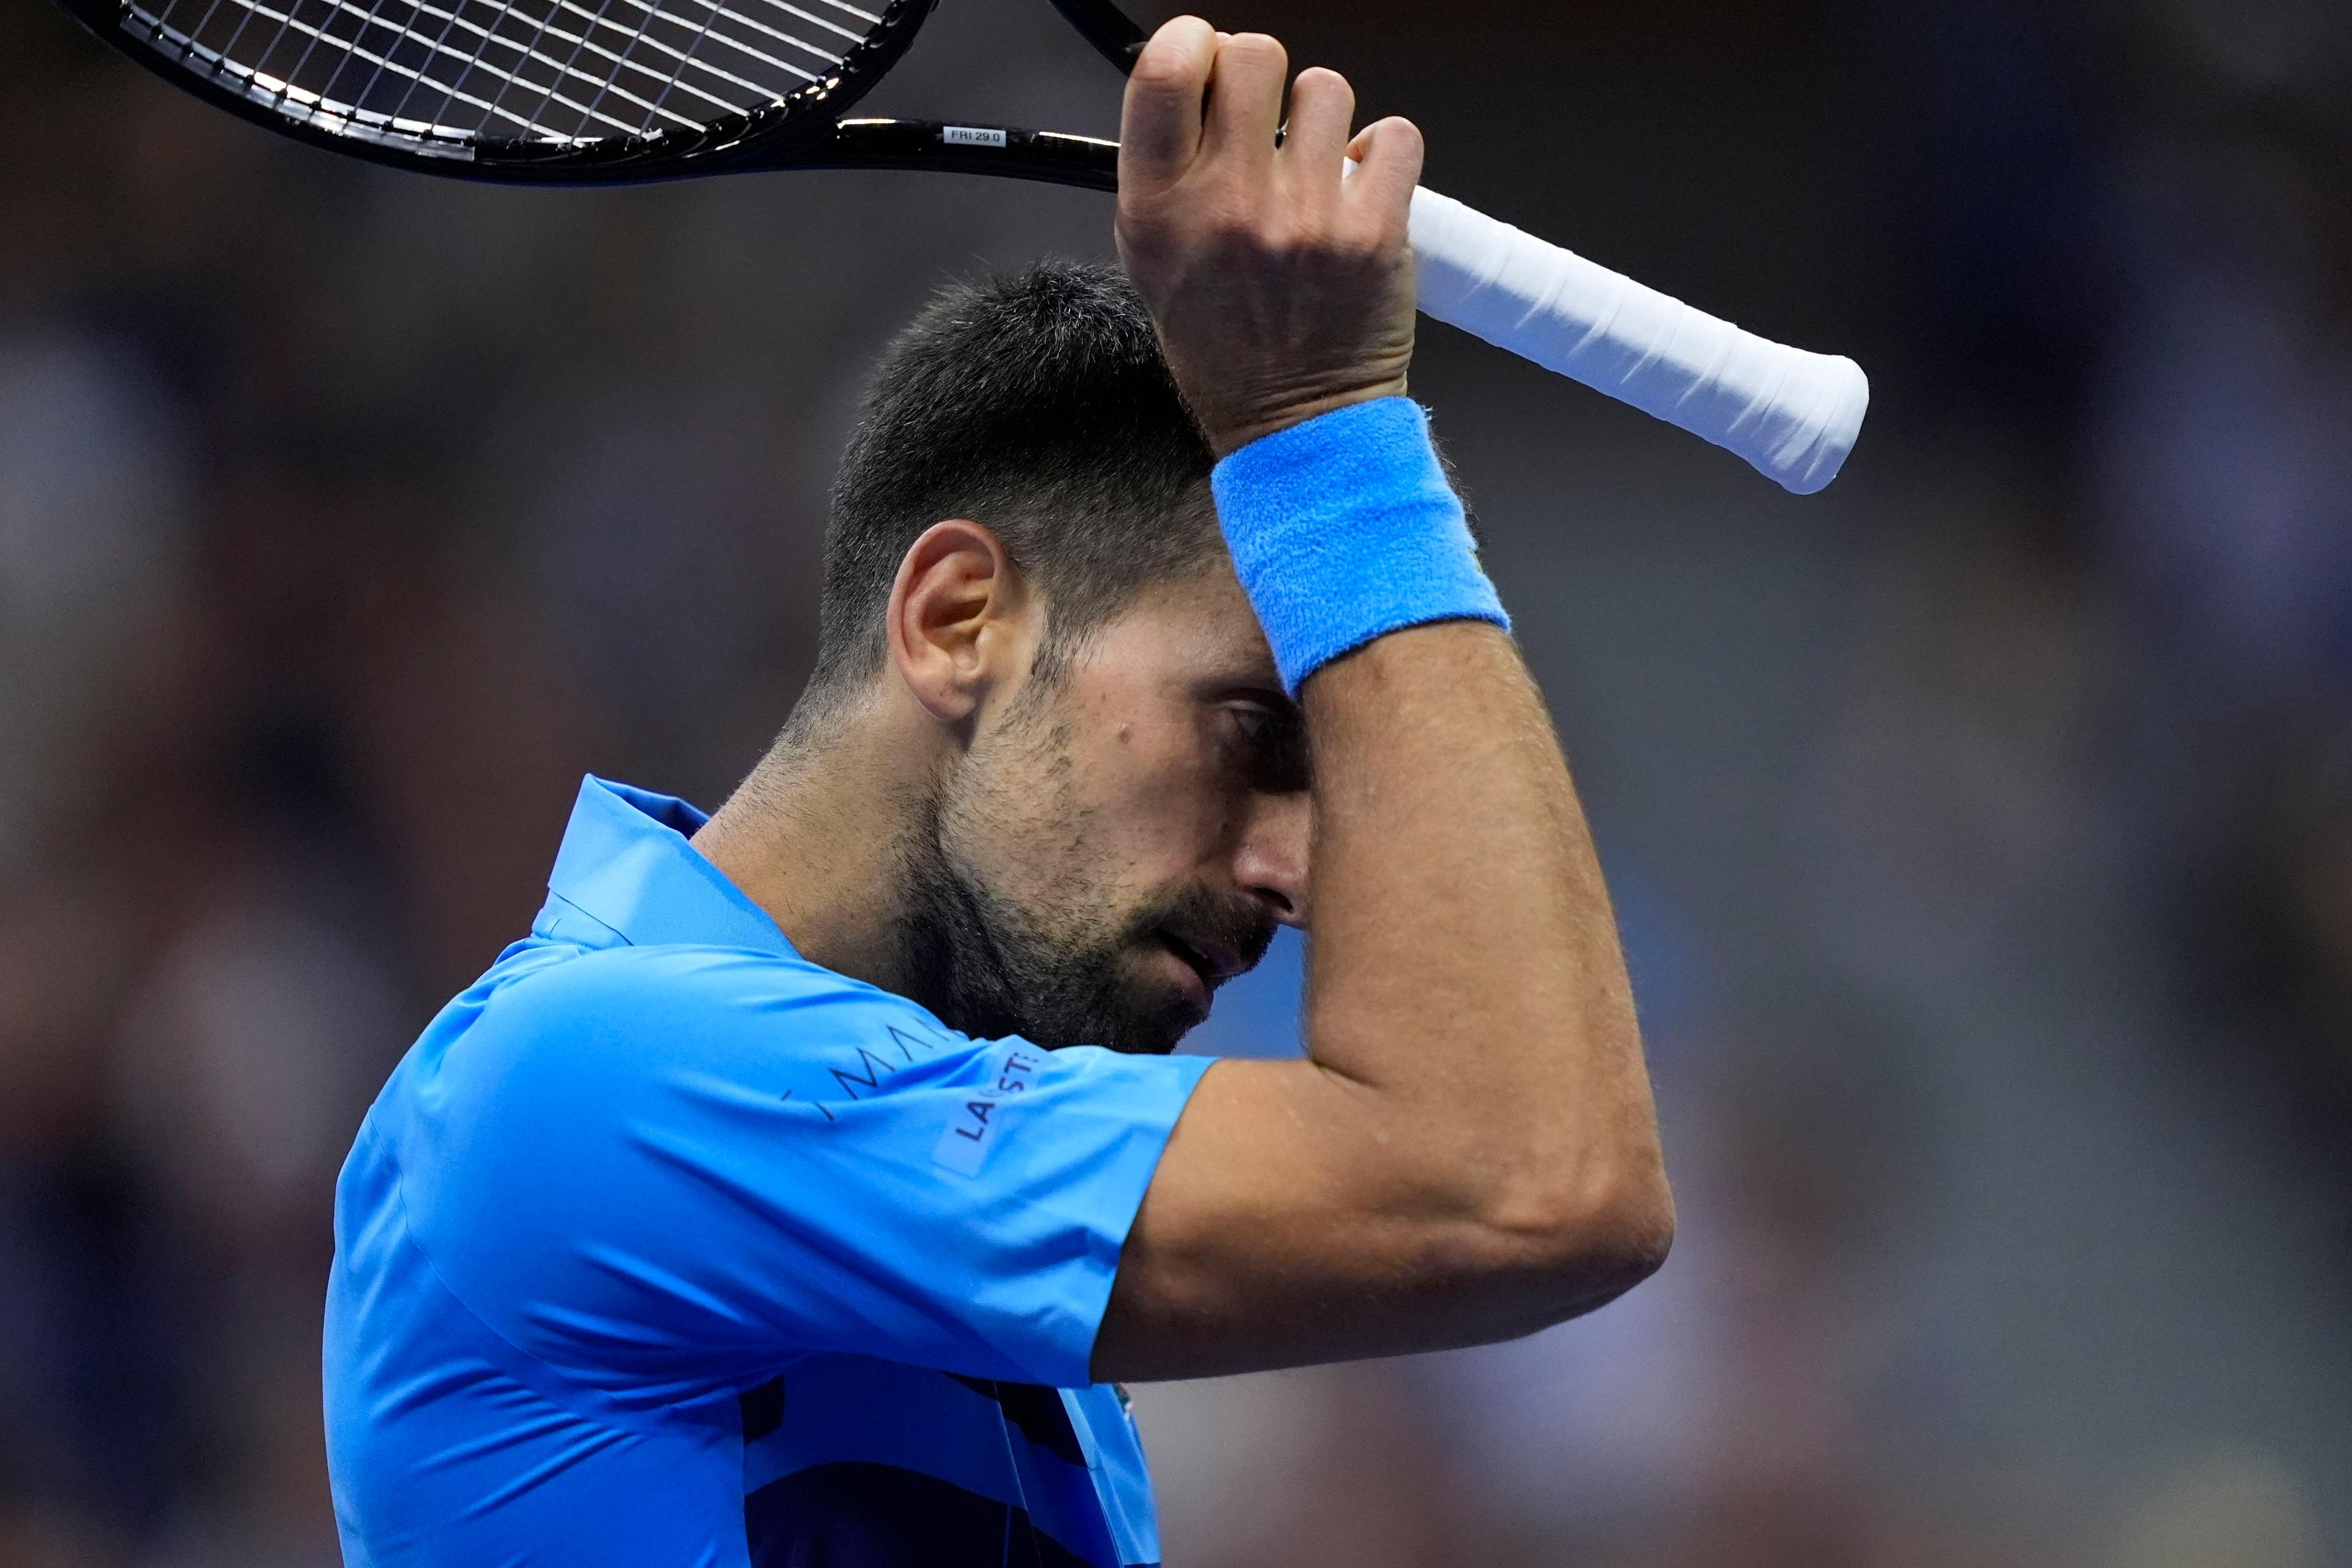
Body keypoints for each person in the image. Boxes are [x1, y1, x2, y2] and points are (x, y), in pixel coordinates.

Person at [322, 17, 1675, 1566]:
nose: (1300, 879)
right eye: (1249, 730)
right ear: (962, 622)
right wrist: (1321, 424)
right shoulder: (596, 1077)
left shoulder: (1033, 1347)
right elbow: (1531, 1179)